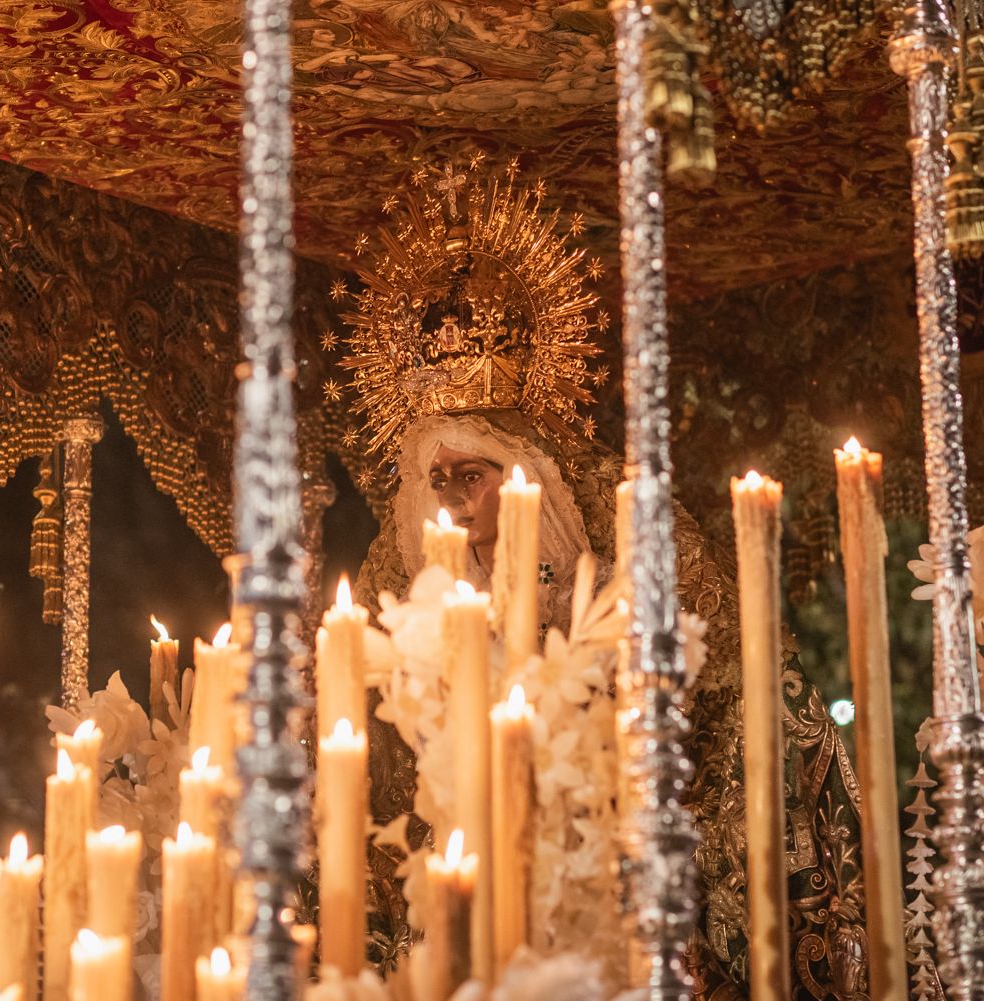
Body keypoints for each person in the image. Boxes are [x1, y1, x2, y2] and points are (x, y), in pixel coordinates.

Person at [344, 162, 868, 1001]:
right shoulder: (396, 572)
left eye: (471, 473)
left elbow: (717, 681)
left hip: (597, 845)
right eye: (435, 481)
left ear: (521, 470)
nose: (450, 498)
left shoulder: (608, 540)